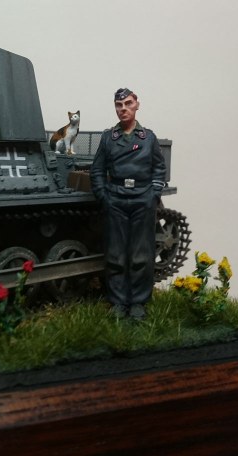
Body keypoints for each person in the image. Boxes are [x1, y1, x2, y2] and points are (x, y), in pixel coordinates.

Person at [90, 88, 166, 320]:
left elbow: (159, 168)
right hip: (116, 198)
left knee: (141, 254)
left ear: (137, 105)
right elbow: (97, 170)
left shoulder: (148, 138)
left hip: (143, 198)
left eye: (128, 103)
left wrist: (153, 194)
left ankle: (138, 303)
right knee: (116, 254)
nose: (123, 109)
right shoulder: (108, 138)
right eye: (119, 105)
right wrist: (104, 196)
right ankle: (118, 302)